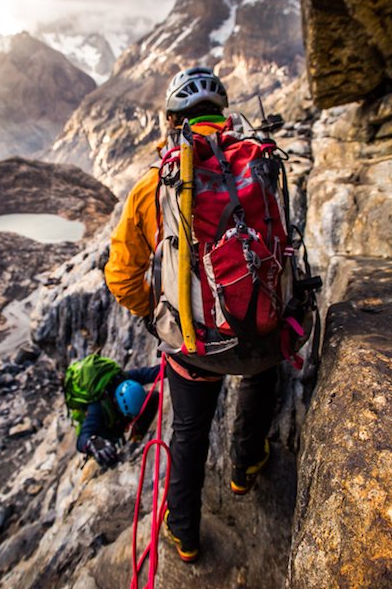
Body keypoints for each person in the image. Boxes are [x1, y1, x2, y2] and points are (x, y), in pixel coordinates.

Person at [104, 67, 277, 563]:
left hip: (195, 345)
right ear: (221, 117)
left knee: (189, 431)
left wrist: (153, 315)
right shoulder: (258, 164)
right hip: (260, 333)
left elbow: (121, 277)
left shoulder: (152, 188)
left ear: (172, 122)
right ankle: (246, 467)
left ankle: (183, 532)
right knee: (261, 371)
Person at [77, 362, 160, 467]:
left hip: (119, 421)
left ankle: (136, 436)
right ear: (115, 401)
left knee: (153, 397)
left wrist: (180, 364)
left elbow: (154, 372)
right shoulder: (97, 407)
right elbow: (81, 439)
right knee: (108, 457)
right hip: (106, 435)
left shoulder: (126, 378)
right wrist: (93, 443)